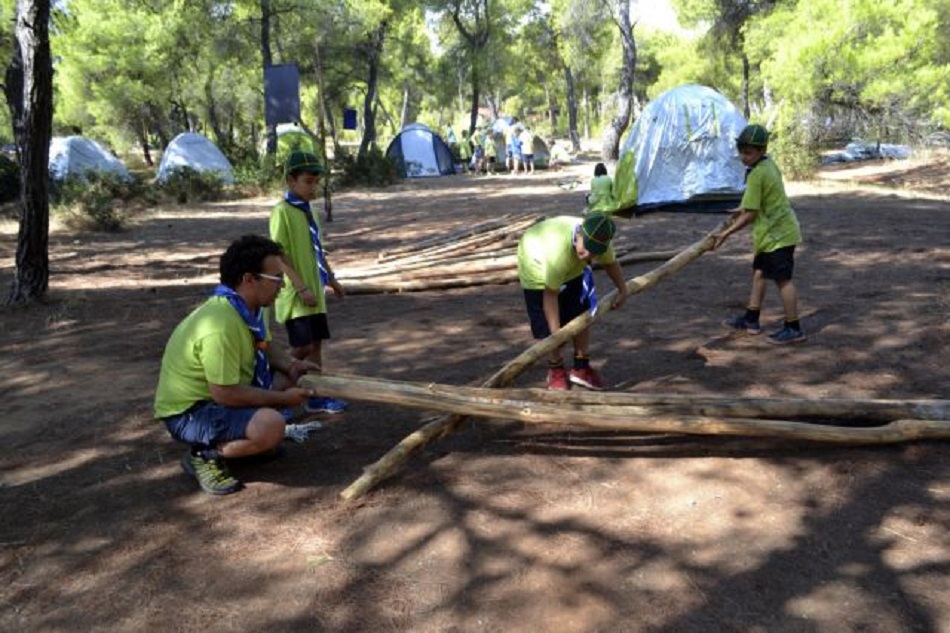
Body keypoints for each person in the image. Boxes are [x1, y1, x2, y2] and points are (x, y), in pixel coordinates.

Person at [154, 235, 321, 495]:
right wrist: (283, 400)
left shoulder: (246, 308)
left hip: (217, 399)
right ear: (249, 279)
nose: (283, 285)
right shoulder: (220, 324)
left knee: (291, 380)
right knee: (271, 425)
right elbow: (225, 393)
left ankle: (241, 441)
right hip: (190, 413)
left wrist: (290, 366)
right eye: (277, 278)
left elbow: (265, 344)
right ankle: (204, 454)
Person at [269, 151, 350, 412]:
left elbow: (317, 251)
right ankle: (272, 392)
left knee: (316, 344)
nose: (313, 187)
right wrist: (300, 286)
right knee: (301, 345)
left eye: (316, 182)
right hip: (297, 294)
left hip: (315, 292)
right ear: (291, 181)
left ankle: (316, 395)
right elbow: (278, 253)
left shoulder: (310, 212)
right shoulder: (282, 211)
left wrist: (332, 280)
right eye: (308, 181)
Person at [712, 123, 805, 344]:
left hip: (779, 235)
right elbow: (756, 202)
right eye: (742, 152)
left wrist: (727, 233)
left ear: (761, 151)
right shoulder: (766, 165)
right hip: (771, 235)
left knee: (783, 280)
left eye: (749, 153)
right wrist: (741, 209)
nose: (744, 157)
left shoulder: (757, 174)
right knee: (760, 274)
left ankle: (794, 328)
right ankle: (751, 319)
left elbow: (751, 214)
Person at [517, 212, 628, 390]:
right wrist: (556, 334)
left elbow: (611, 263)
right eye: (587, 247)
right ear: (578, 234)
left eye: (594, 251)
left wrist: (623, 290)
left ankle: (581, 367)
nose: (587, 254)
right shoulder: (558, 253)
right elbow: (550, 294)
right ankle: (556, 368)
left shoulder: (601, 241)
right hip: (536, 262)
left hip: (571, 269)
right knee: (548, 326)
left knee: (581, 313)